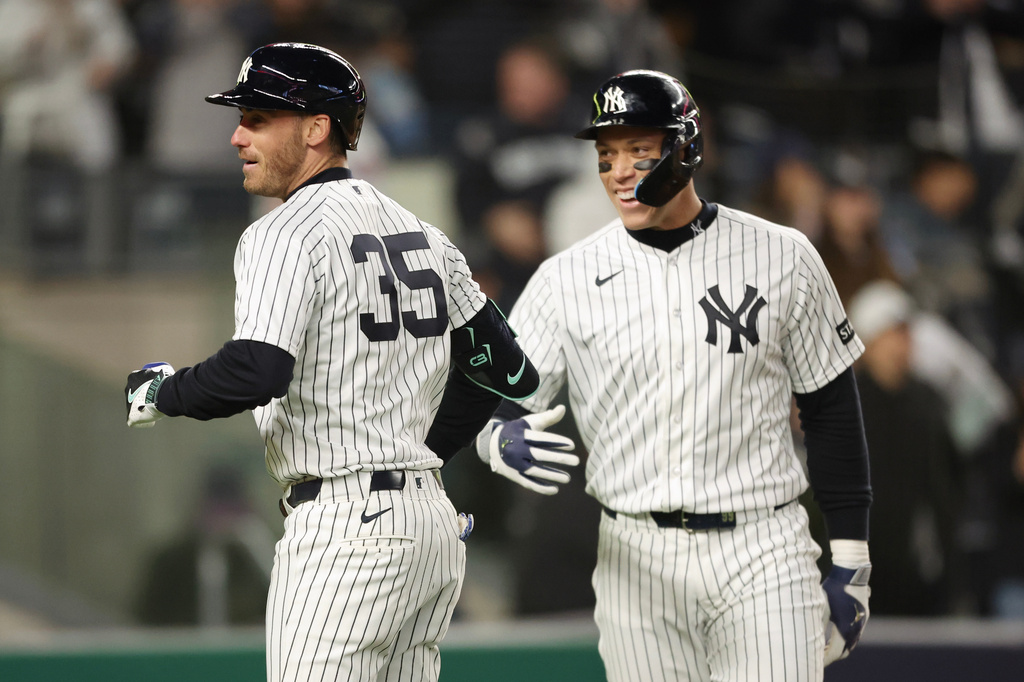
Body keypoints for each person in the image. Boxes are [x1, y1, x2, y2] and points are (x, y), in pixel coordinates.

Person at [123, 42, 569, 682]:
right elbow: (503, 370)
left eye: (257, 118)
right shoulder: (421, 231)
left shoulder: (283, 231)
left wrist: (163, 391)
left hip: (346, 530)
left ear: (315, 127)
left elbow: (256, 370)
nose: (236, 135)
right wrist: (425, 459)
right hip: (429, 529)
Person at [475, 70, 873, 681]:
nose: (619, 171)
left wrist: (850, 559)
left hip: (761, 549)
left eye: (639, 150)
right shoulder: (566, 278)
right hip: (633, 556)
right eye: (607, 155)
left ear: (685, 148)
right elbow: (495, 404)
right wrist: (500, 437)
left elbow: (832, 411)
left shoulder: (782, 254)